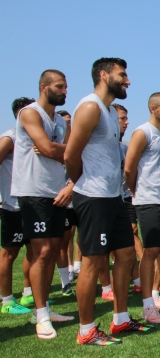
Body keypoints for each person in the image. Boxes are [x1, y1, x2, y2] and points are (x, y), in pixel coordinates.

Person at [65, 58, 147, 346]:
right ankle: (86, 330)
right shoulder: (90, 108)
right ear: (103, 75)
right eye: (122, 75)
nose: (128, 81)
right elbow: (70, 156)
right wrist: (83, 184)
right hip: (93, 197)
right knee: (93, 262)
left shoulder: (111, 111)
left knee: (126, 255)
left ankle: (120, 319)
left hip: (114, 198)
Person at [12, 70, 75, 339]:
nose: (64, 91)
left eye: (66, 87)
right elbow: (50, 149)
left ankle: (45, 308)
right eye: (59, 86)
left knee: (53, 251)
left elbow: (71, 154)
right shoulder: (29, 113)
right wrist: (60, 150)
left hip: (57, 191)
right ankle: (41, 317)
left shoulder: (61, 121)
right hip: (33, 191)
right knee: (43, 251)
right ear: (43, 87)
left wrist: (59, 151)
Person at [125, 92, 160, 323]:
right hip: (148, 201)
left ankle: (155, 296)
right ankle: (147, 305)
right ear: (153, 108)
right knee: (151, 251)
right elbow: (129, 168)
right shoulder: (142, 133)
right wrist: (136, 191)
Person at [0, 97, 36, 315]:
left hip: (31, 205)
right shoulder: (10, 138)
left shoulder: (32, 139)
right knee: (9, 253)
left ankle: (28, 292)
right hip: (13, 206)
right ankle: (7, 301)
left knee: (34, 250)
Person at [113, 103, 142, 294]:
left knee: (131, 238)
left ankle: (138, 280)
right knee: (101, 251)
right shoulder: (99, 146)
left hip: (124, 198)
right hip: (103, 199)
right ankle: (107, 286)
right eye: (122, 118)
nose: (127, 122)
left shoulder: (124, 149)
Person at [55, 110, 76, 297]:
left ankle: (75, 266)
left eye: (70, 122)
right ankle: (65, 278)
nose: (68, 125)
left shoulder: (76, 144)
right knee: (60, 241)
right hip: (57, 200)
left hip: (76, 199)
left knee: (74, 237)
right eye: (65, 122)